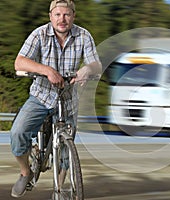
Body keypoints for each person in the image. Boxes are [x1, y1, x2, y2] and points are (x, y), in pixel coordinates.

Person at [10, 0, 102, 197]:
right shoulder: (39, 34)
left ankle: (58, 191)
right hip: (41, 96)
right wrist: (47, 70)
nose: (62, 19)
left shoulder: (83, 35)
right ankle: (26, 173)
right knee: (18, 133)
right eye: (58, 14)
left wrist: (87, 68)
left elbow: (96, 64)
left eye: (67, 15)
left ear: (73, 16)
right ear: (50, 16)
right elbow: (20, 61)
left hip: (68, 100)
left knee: (65, 155)